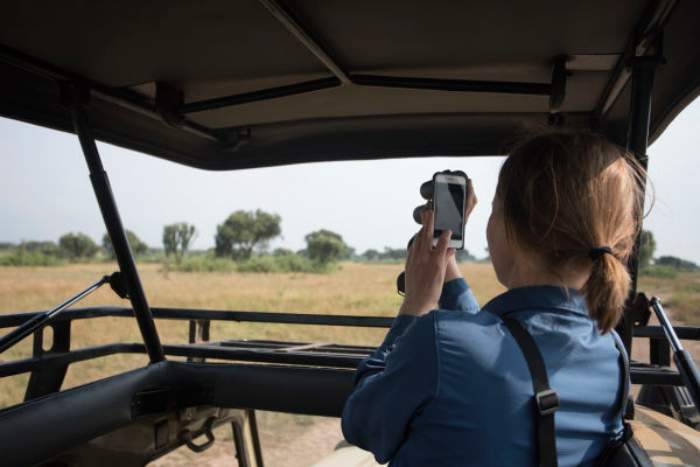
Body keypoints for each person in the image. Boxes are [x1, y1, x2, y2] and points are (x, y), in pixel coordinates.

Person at [341, 131, 646, 466]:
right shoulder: (610, 350)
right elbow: (509, 347)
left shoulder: (439, 340)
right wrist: (448, 272)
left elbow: (362, 423)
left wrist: (416, 305)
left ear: (509, 225)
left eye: (495, 209)